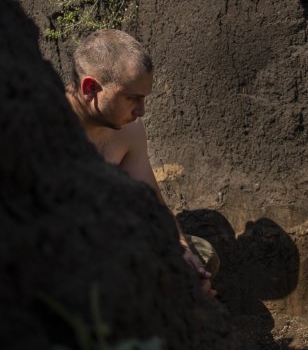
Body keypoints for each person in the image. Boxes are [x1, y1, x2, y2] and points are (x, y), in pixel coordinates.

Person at [65, 29, 217, 295]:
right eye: (132, 98)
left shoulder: (129, 132)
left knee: (201, 256)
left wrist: (180, 250)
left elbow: (151, 203)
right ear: (91, 88)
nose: (142, 111)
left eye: (144, 98)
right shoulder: (41, 128)